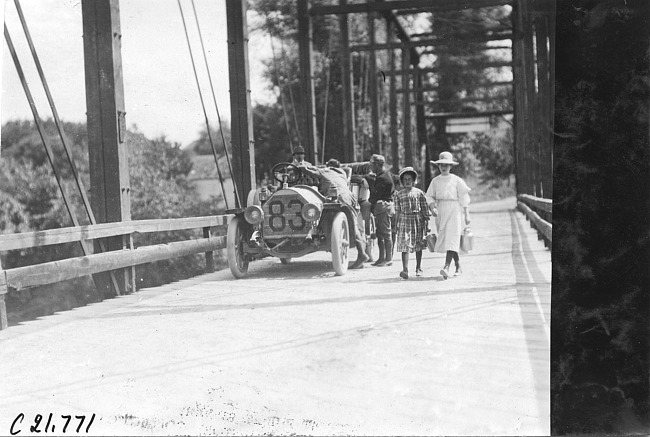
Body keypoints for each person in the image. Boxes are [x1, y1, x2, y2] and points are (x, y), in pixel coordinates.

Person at [298, 162, 369, 269]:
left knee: (326, 219)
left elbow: (310, 170)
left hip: (339, 196)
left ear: (329, 166)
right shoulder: (342, 172)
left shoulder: (327, 171)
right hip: (350, 196)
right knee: (353, 223)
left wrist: (300, 166)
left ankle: (361, 254)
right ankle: (361, 252)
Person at [424, 151, 471, 279]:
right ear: (438, 166)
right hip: (441, 210)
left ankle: (446, 266)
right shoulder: (435, 181)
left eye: (446, 165)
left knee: (452, 237)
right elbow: (429, 196)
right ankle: (458, 265)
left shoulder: (456, 180)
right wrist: (432, 207)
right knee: (448, 239)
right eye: (441, 165)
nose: (444, 167)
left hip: (454, 210)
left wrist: (466, 214)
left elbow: (464, 196)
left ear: (451, 166)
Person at [394, 167, 430, 280]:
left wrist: (426, 222)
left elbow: (424, 209)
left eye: (410, 179)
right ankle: (405, 269)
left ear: (414, 180)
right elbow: (397, 211)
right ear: (402, 182)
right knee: (405, 245)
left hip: (417, 220)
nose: (407, 181)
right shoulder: (399, 194)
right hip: (405, 220)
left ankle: (418, 267)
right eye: (405, 179)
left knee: (418, 244)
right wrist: (396, 225)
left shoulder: (419, 193)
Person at [368, 154, 395, 266]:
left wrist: (369, 202)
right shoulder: (387, 175)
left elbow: (375, 194)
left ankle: (388, 258)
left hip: (383, 206)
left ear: (377, 165)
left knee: (385, 233)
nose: (370, 166)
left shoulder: (381, 178)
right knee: (381, 233)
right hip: (385, 206)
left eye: (372, 164)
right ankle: (381, 258)